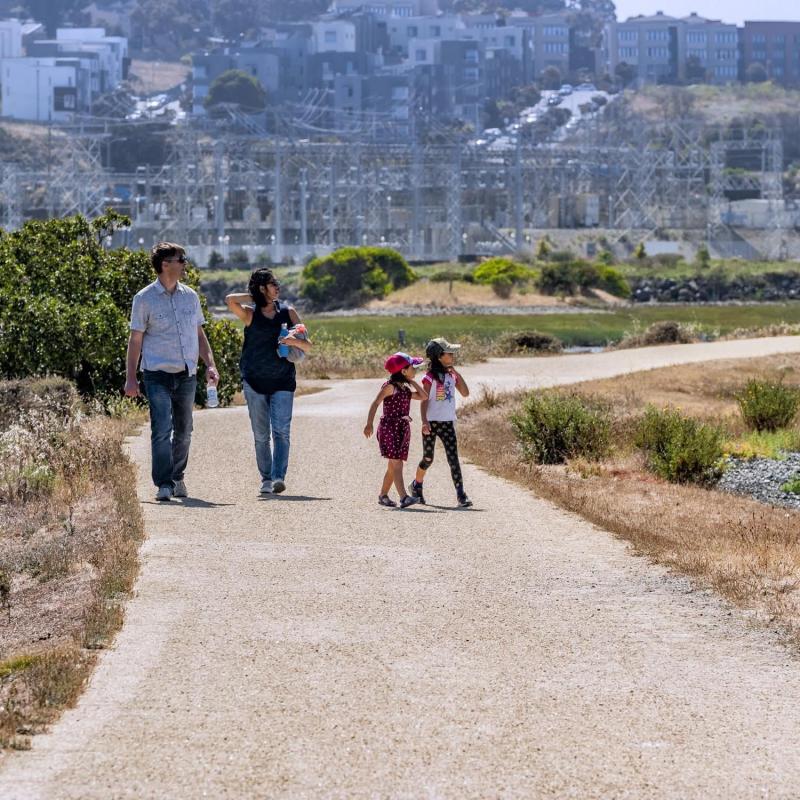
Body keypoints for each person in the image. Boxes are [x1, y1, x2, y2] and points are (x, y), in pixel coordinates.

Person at [125, 242, 219, 502]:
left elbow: (199, 334)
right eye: (181, 259)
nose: (185, 263)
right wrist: (131, 378)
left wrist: (210, 364)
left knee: (185, 429)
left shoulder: (190, 296)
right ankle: (164, 483)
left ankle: (178, 477)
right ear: (165, 264)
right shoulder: (144, 299)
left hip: (187, 373)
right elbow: (135, 340)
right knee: (162, 429)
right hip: (156, 374)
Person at [225, 269, 312, 495]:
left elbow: (308, 345)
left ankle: (278, 477)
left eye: (278, 284)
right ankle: (265, 477)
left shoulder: (288, 312)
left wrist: (293, 340)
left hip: (283, 380)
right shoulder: (250, 314)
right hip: (254, 380)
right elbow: (230, 300)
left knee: (281, 431)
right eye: (273, 284)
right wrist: (254, 296)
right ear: (263, 287)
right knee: (261, 434)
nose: (278, 288)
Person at [410, 337, 472, 508]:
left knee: (453, 459)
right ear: (439, 356)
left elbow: (465, 393)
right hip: (431, 423)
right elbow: (423, 399)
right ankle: (417, 485)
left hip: (447, 423)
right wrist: (424, 422)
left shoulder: (452, 375)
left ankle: (461, 495)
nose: (452, 355)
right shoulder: (429, 377)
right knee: (428, 458)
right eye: (449, 353)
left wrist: (456, 373)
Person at [364, 352, 428, 509]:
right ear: (403, 371)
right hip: (389, 428)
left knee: (393, 466)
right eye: (412, 368)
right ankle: (404, 497)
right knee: (397, 463)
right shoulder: (390, 387)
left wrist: (411, 381)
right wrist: (369, 423)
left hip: (402, 429)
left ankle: (383, 495)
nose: (415, 370)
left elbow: (424, 396)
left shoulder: (405, 389)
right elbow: (375, 403)